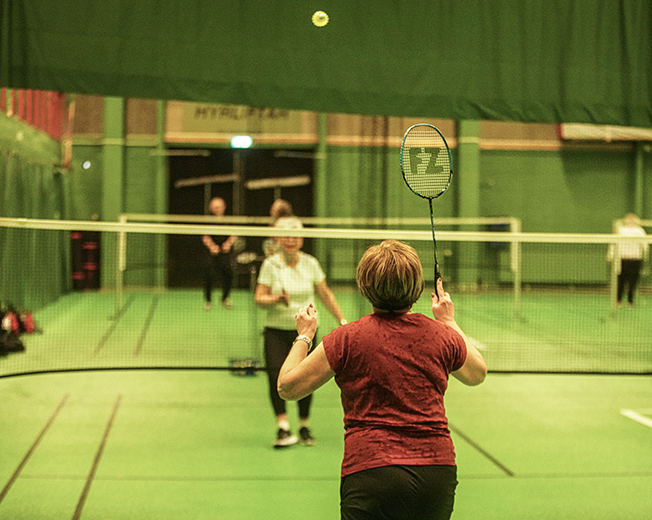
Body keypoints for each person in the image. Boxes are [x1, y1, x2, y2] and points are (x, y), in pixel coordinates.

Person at [278, 240, 487, 520]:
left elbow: (287, 387)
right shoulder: (442, 335)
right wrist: (449, 321)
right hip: (436, 472)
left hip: (371, 473)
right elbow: (477, 374)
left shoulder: (346, 338)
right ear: (416, 286)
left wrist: (305, 334)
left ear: (365, 285)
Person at [255, 216, 346, 448]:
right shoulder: (270, 265)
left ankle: (304, 425)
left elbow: (325, 294)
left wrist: (342, 320)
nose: (290, 240)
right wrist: (276, 299)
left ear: (302, 239)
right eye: (285, 235)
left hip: (305, 332)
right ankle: (283, 427)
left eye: (295, 235)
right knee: (276, 376)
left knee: (307, 377)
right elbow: (259, 298)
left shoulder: (310, 263)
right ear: (277, 239)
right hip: (276, 330)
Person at [201, 197, 236, 310]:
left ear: (224, 207)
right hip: (211, 250)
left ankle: (225, 297)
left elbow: (234, 233)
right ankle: (208, 300)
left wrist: (228, 244)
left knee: (229, 273)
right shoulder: (207, 220)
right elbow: (203, 234)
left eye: (219, 206)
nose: (217, 209)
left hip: (225, 250)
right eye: (215, 207)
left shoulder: (229, 220)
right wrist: (212, 246)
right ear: (211, 208)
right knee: (208, 274)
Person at [608, 213, 649, 307]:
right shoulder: (621, 230)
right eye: (629, 219)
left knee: (632, 282)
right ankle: (620, 301)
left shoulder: (640, 231)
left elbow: (645, 245)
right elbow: (614, 243)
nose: (630, 220)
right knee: (621, 281)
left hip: (635, 258)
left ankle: (629, 301)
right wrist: (611, 255)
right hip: (623, 259)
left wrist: (645, 256)